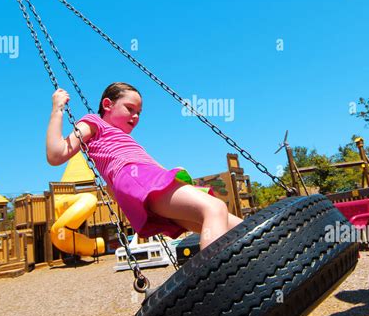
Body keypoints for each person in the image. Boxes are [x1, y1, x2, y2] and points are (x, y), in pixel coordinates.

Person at [46, 82, 243, 257]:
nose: (135, 116)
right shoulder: (95, 122)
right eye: (130, 108)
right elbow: (57, 154)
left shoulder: (122, 139)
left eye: (139, 112)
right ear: (107, 105)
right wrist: (58, 108)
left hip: (144, 180)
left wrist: (171, 174)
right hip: (137, 178)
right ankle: (212, 281)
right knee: (214, 208)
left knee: (234, 226)